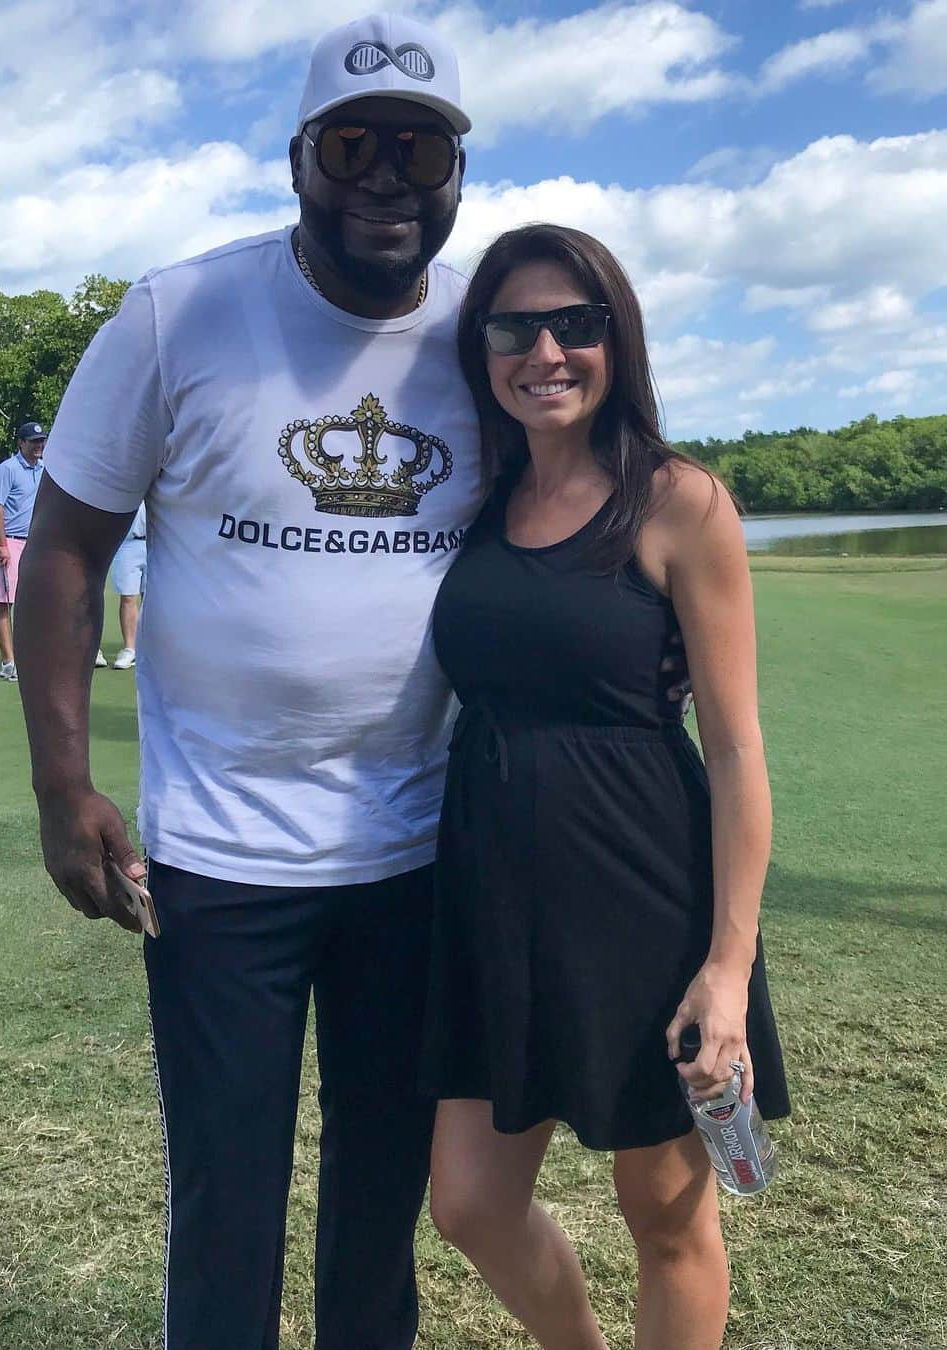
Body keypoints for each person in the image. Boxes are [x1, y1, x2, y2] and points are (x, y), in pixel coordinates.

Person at [15, 17, 688, 1348]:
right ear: (299, 161)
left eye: (420, 148)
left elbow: (581, 491)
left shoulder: (485, 337)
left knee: (382, 1200)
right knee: (228, 1196)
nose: (386, 174)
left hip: (420, 850)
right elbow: (65, 551)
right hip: (220, 855)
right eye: (354, 144)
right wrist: (60, 782)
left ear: (456, 177)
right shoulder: (179, 312)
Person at [419, 224, 790, 1350]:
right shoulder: (479, 499)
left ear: (614, 340)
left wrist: (726, 968)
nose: (545, 349)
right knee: (471, 1202)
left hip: (646, 900)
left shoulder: (679, 501)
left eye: (573, 325)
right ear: (482, 350)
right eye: (513, 326)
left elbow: (734, 752)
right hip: (493, 897)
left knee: (664, 1215)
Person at [0, 420, 46, 680]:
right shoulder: (7, 469)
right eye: (33, 441)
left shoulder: (44, 469)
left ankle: (27, 657)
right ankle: (8, 662)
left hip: (32, 543)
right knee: (4, 602)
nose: (39, 445)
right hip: (7, 541)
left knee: (30, 602)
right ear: (20, 443)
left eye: (41, 441)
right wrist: (1, 545)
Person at [107, 499, 146, 669]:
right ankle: (130, 648)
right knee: (128, 596)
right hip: (127, 543)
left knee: (154, 597)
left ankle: (150, 648)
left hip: (155, 541)